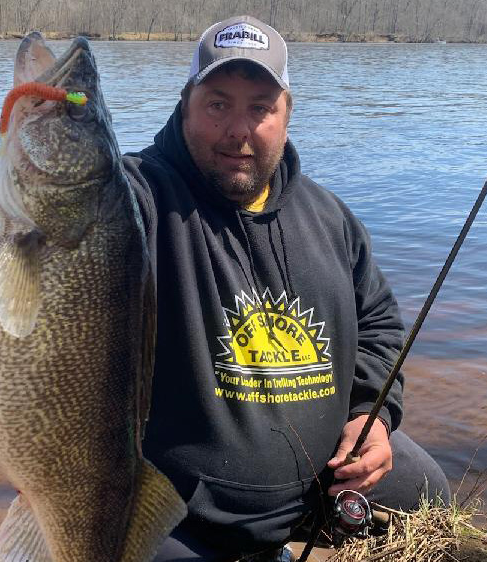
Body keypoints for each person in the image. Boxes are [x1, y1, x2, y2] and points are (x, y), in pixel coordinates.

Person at [122, 15, 449, 561]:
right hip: (187, 505)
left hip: (320, 479)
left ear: (287, 114)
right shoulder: (139, 200)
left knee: (428, 492)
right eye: (218, 103)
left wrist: (371, 416)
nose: (238, 129)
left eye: (260, 108)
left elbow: (379, 323)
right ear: (186, 107)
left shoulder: (329, 218)